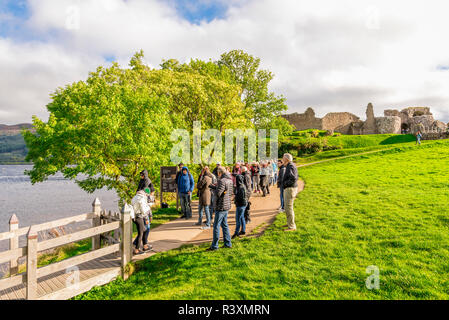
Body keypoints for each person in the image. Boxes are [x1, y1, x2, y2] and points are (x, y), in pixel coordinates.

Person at [207, 166, 233, 251]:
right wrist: (215, 187)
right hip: (226, 205)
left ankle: (214, 246)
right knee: (224, 225)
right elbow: (226, 192)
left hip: (221, 206)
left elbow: (218, 194)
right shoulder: (230, 180)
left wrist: (213, 189)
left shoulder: (222, 181)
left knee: (216, 226)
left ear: (219, 173)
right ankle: (228, 243)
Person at [131, 189, 153, 254]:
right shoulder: (142, 198)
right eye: (147, 195)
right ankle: (136, 250)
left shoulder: (135, 197)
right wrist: (149, 206)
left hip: (134, 216)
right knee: (141, 233)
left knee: (144, 230)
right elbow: (143, 211)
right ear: (146, 193)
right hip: (139, 217)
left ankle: (142, 246)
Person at [282, 153, 299, 231]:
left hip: (290, 189)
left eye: (283, 158)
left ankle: (291, 226)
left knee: (288, 207)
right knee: (287, 207)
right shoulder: (290, 165)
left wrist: (285, 184)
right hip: (290, 188)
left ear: (287, 159)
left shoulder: (290, 166)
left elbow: (293, 178)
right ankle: (290, 223)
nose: (282, 159)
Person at [232, 174, 248, 239]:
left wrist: (235, 199)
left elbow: (240, 197)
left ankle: (236, 233)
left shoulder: (241, 188)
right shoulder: (243, 186)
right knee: (241, 218)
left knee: (238, 219)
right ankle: (243, 230)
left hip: (241, 205)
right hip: (243, 204)